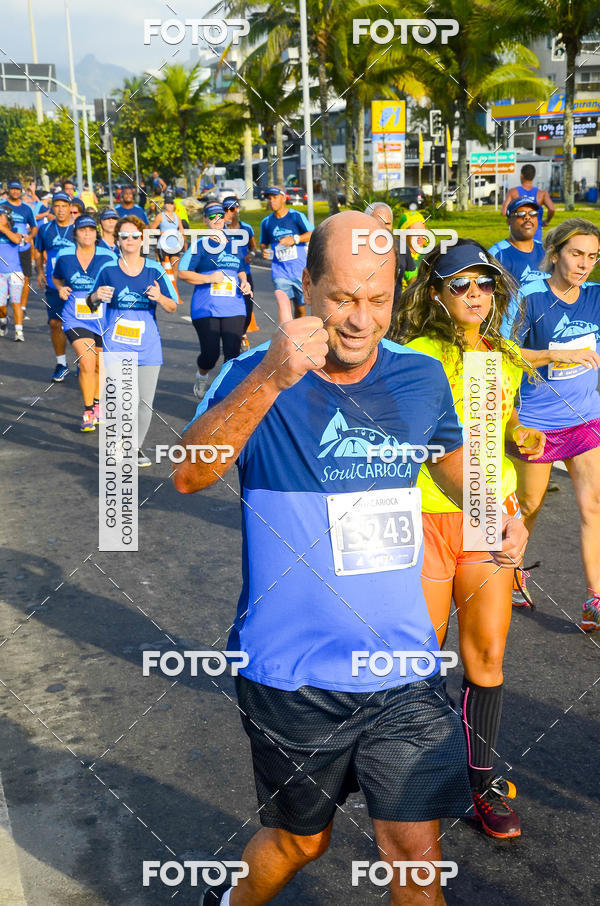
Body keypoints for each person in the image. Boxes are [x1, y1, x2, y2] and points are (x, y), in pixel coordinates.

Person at [173, 211, 527, 906]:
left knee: (414, 854)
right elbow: (189, 471)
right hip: (294, 672)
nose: (361, 320)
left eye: (378, 300)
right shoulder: (257, 371)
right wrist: (271, 381)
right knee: (302, 841)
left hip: (402, 666)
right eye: (341, 299)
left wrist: (497, 511)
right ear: (306, 287)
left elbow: (452, 461)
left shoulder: (420, 376)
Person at [389, 239, 542, 838]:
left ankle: (479, 785)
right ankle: (415, 777)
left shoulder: (503, 354)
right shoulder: (416, 353)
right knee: (422, 659)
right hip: (425, 517)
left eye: (482, 283)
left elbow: (502, 424)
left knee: (487, 657)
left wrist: (521, 434)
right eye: (460, 284)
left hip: (487, 518)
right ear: (436, 294)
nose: (474, 293)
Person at [503, 219, 600, 627]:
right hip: (537, 423)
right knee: (529, 505)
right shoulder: (531, 295)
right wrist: (553, 356)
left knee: (593, 506)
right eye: (576, 254)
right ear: (556, 252)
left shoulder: (596, 296)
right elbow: (501, 349)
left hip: (586, 419)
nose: (584, 264)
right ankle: (510, 573)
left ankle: (594, 598)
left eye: (592, 257)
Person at [87, 215, 178, 466]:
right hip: (116, 342)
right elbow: (89, 302)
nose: (130, 240)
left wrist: (160, 297)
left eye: (134, 236)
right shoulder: (108, 269)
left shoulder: (155, 269)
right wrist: (97, 295)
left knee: (143, 402)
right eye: (124, 236)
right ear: (117, 240)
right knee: (121, 399)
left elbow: (172, 306)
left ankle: (134, 447)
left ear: (142, 239)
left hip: (148, 343)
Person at [178, 203, 252, 400]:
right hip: (206, 308)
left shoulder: (235, 243)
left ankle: (226, 395)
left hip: (234, 306)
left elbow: (241, 268)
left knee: (232, 353)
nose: (217, 219)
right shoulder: (199, 245)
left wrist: (244, 282)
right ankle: (202, 375)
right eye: (212, 216)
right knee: (210, 355)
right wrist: (209, 278)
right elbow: (183, 273)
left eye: (221, 215)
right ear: (205, 220)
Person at [53, 214, 117, 431]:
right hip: (75, 317)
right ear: (76, 233)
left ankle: (98, 404)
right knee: (87, 362)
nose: (87, 233)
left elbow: (116, 279)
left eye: (91, 230)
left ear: (96, 233)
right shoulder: (64, 255)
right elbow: (57, 276)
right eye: (83, 230)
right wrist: (60, 288)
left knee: (100, 364)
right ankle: (88, 410)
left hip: (103, 318)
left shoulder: (108, 256)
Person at [35, 191, 76, 381]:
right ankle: (61, 363)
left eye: (64, 206)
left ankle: (84, 361)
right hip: (53, 284)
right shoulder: (45, 229)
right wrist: (40, 272)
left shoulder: (78, 229)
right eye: (57, 206)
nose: (60, 210)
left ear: (70, 208)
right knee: (55, 323)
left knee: (80, 325)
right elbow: (38, 250)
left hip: (77, 284)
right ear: (52, 207)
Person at [259, 186, 313, 322]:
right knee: (284, 307)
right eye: (269, 198)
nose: (271, 201)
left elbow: (313, 234)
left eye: (275, 198)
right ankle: (287, 337)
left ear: (283, 198)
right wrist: (264, 251)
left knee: (300, 310)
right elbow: (263, 243)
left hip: (299, 271)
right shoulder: (266, 222)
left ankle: (300, 337)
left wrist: (295, 239)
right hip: (280, 272)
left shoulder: (296, 216)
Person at [1, 179, 38, 322]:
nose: (15, 191)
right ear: (8, 190)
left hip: (23, 247)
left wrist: (30, 237)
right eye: (12, 189)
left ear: (21, 191)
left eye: (18, 189)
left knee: (26, 277)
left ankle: (22, 307)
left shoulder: (26, 208)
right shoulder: (2, 206)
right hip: (5, 247)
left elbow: (34, 227)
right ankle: (4, 308)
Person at [223, 195, 257, 351]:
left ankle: (242, 332)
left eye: (231, 209)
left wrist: (252, 255)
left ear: (237, 209)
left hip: (245, 273)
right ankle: (232, 338)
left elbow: (253, 248)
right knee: (229, 308)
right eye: (225, 210)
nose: (228, 212)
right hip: (226, 275)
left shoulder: (247, 228)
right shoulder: (220, 230)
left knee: (248, 307)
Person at [365, 201, 414, 303]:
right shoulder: (358, 249)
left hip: (395, 311)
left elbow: (412, 277)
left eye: (387, 223)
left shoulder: (401, 247)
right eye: (378, 223)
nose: (383, 228)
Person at [489, 198, 546, 287]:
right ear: (509, 221)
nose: (527, 217)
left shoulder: (546, 250)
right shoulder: (498, 254)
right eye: (520, 214)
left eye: (533, 213)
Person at [502, 164, 554, 242]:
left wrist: (511, 220)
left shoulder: (513, 192)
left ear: (521, 175)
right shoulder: (542, 193)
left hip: (518, 233)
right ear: (533, 176)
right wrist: (547, 220)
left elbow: (504, 212)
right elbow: (552, 209)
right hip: (536, 234)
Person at [0, 207, 26, 342]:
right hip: (0, 274)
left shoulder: (16, 231)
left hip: (15, 273)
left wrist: (3, 229)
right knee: (1, 305)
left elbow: (17, 240)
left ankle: (18, 331)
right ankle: (3, 321)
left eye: (1, 216)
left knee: (16, 302)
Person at [150, 191, 185, 277]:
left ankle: (174, 288)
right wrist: (164, 233)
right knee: (165, 270)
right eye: (168, 203)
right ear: (165, 205)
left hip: (175, 245)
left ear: (174, 205)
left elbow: (181, 228)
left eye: (171, 204)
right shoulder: (160, 216)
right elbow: (152, 230)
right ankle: (164, 288)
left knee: (175, 267)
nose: (169, 205)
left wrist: (180, 232)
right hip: (163, 246)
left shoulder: (177, 216)